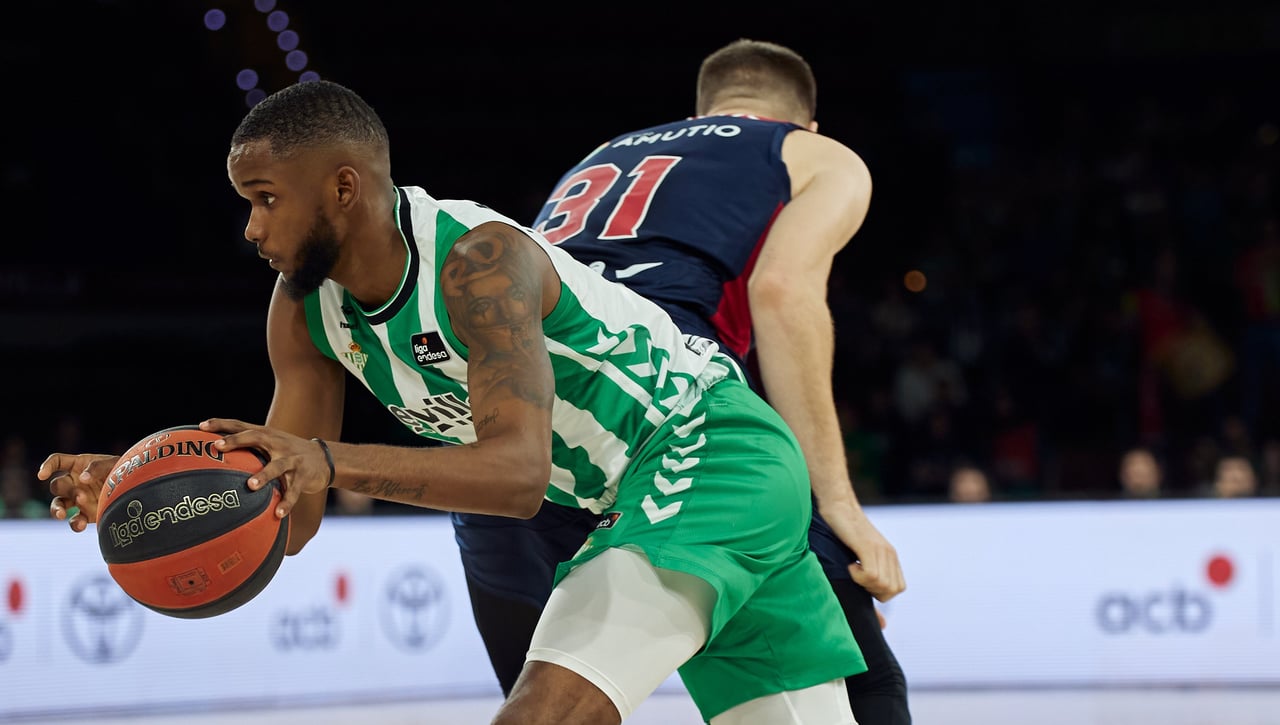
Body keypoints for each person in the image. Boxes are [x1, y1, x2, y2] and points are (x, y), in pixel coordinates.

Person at [38, 79, 865, 725]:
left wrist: (325, 460)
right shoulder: (302, 311)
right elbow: (288, 513)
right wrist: (145, 480)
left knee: (544, 708)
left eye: (265, 198)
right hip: (650, 495)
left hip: (707, 450)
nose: (251, 228)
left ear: (342, 188)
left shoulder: (479, 261)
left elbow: (516, 477)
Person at [451, 38, 911, 724]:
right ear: (804, 122)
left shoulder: (605, 153)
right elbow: (782, 292)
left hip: (507, 429)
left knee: (544, 709)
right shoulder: (814, 154)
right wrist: (839, 506)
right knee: (862, 680)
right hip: (663, 412)